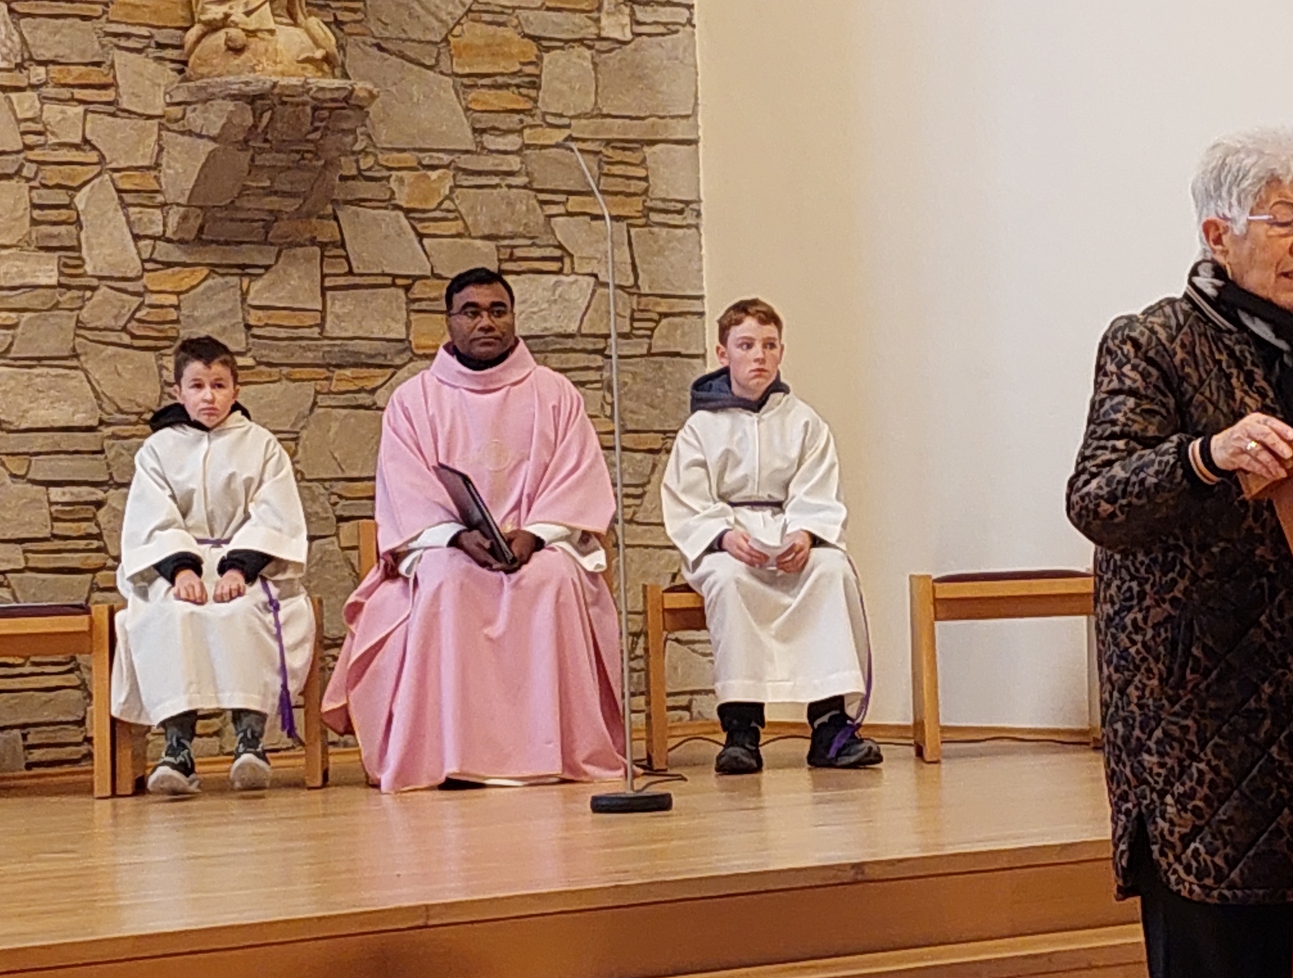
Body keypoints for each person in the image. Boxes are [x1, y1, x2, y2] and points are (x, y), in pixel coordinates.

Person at [1066, 127, 1293, 978]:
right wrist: (1206, 456)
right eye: (1285, 220)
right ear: (1216, 233)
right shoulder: (1152, 341)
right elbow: (1097, 496)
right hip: (1195, 734)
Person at [322, 267, 625, 792]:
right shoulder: (414, 400)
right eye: (471, 312)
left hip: (537, 544)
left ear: (513, 317)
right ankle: (452, 754)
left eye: (497, 311)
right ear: (449, 321)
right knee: (443, 579)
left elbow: (577, 478)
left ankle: (550, 753)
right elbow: (406, 489)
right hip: (451, 546)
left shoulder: (554, 394)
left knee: (554, 578)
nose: (486, 322)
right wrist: (457, 537)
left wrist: (535, 534)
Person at [662, 298, 881, 775]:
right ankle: (741, 729)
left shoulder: (804, 422)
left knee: (832, 570)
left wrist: (804, 533)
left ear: (782, 351)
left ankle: (829, 726)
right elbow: (687, 498)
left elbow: (818, 489)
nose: (758, 356)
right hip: (728, 543)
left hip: (788, 536)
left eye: (768, 345)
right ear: (723, 354)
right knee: (729, 578)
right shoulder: (701, 428)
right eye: (745, 345)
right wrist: (722, 536)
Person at [112, 335, 314, 796]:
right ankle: (177, 749)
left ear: (236, 390)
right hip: (176, 571)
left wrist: (238, 569)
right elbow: (152, 517)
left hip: (246, 568)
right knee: (170, 615)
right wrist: (182, 571)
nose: (209, 396)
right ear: (178, 392)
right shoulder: (158, 449)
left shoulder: (261, 446)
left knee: (243, 613)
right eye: (197, 386)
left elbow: (274, 515)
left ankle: (250, 742)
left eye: (219, 385)